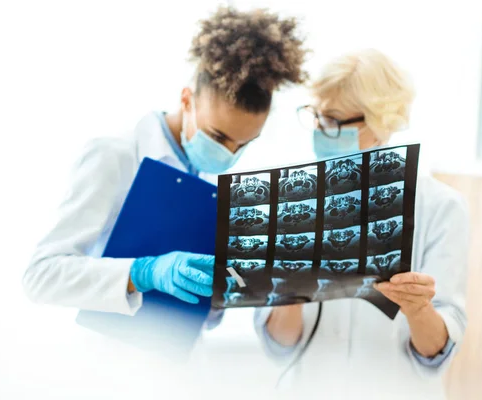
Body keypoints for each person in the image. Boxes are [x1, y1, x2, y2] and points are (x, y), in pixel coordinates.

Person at [22, 6, 308, 317]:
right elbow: (41, 277)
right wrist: (142, 273)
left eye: (243, 145)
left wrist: (219, 295)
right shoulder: (115, 155)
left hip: (172, 360)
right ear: (187, 100)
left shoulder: (203, 180)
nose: (228, 154)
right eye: (218, 137)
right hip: (101, 358)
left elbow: (194, 314)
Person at [254, 49, 469, 399]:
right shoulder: (294, 203)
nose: (321, 132)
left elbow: (437, 355)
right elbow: (278, 347)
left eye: (334, 121)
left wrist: (417, 309)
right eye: (317, 117)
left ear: (379, 122)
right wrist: (290, 289)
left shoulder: (441, 207)